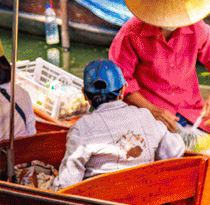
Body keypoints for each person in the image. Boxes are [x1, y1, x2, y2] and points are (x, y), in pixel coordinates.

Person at [109, 0, 210, 136]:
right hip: (148, 110)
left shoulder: (196, 26)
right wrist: (153, 110)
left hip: (192, 108)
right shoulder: (131, 33)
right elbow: (121, 82)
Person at [52, 59, 185, 191]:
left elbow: (67, 184)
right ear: (122, 90)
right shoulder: (146, 116)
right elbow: (175, 151)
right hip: (143, 201)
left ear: (85, 94)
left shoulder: (82, 127)